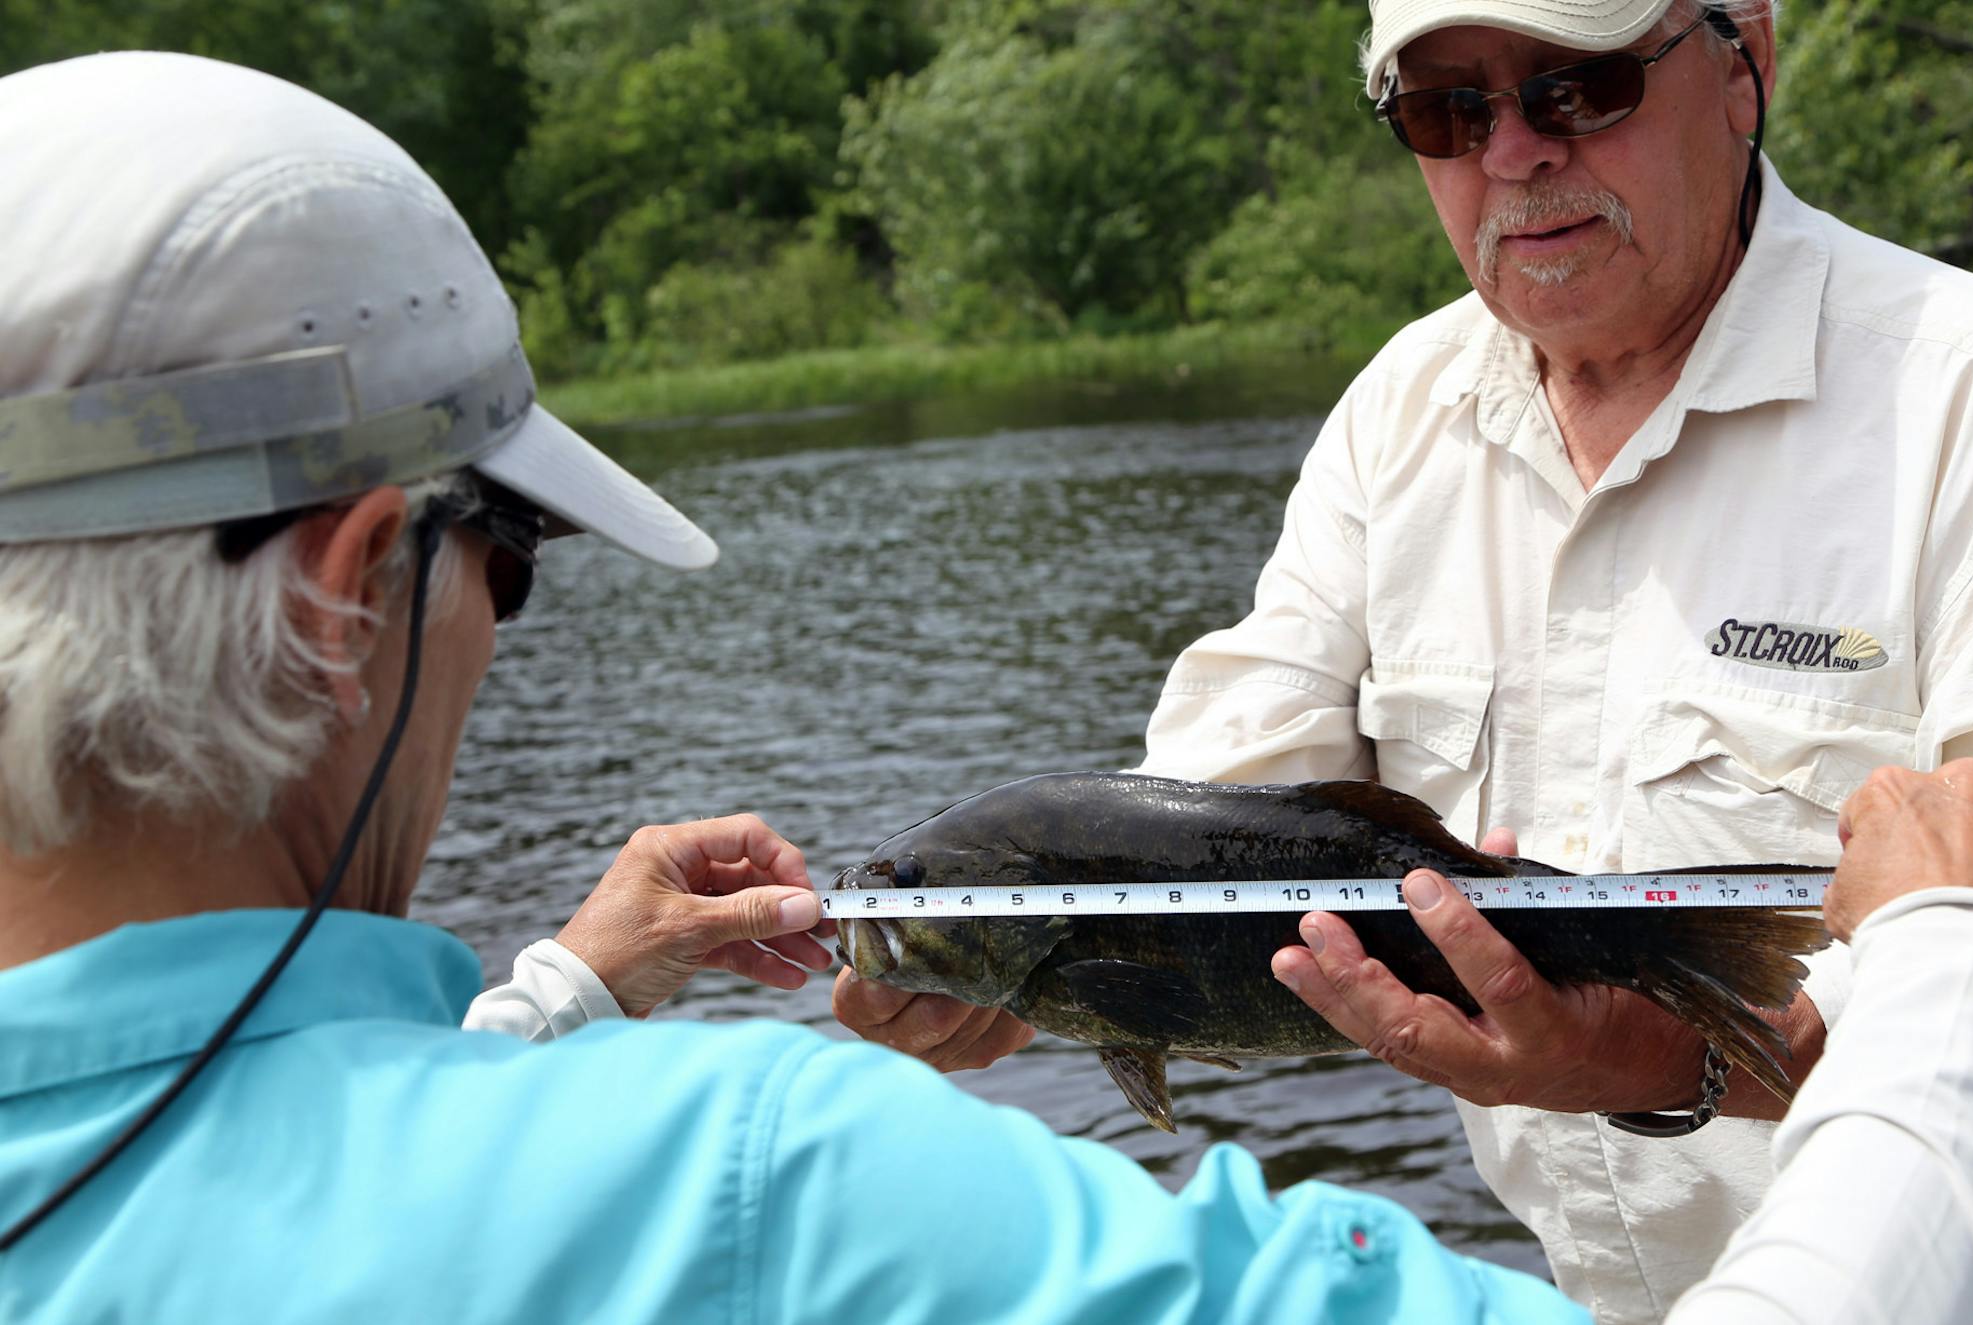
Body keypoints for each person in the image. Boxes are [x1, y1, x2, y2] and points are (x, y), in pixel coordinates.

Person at [0, 51, 1578, 1325]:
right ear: (344, 605)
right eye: (510, 548)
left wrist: (561, 998)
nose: (497, 613)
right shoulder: (769, 1178)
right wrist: (1836, 1060)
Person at [835, 1, 1973, 1321]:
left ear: (1743, 58)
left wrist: (1687, 1058)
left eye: (1579, 88)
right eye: (1447, 110)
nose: (1514, 153)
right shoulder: (1399, 415)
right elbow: (1217, 791)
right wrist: (1025, 965)